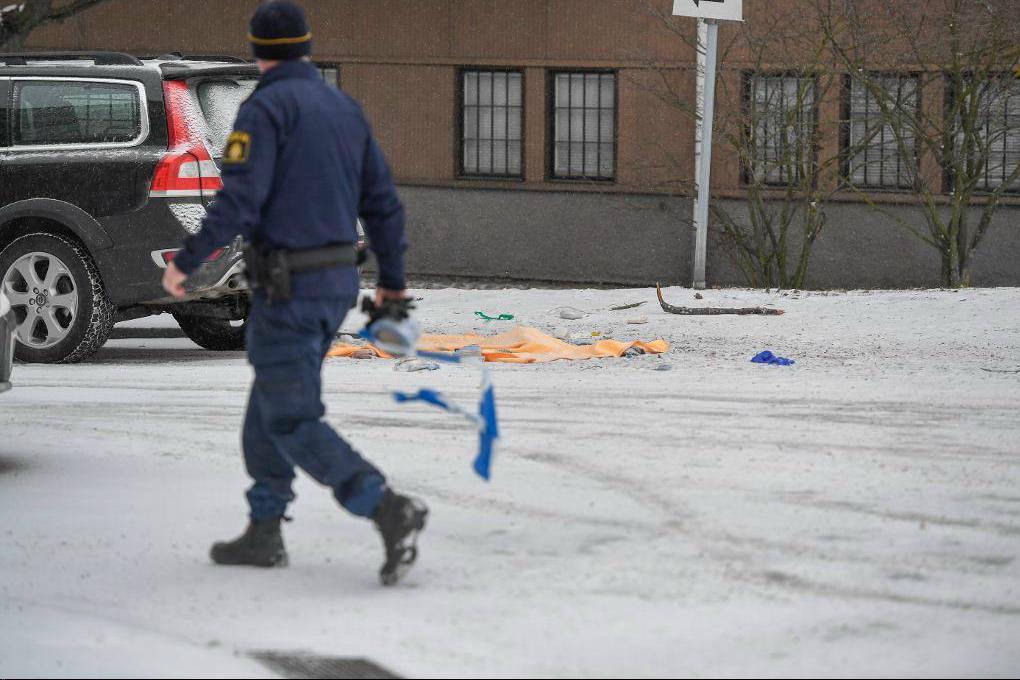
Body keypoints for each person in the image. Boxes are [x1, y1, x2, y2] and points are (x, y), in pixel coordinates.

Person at [161, 0, 427, 586]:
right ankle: (264, 530)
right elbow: (382, 202)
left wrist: (188, 259)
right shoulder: (343, 108)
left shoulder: (264, 109)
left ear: (258, 53)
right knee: (269, 407)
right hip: (335, 284)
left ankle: (385, 506)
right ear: (306, 47)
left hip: (290, 287)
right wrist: (393, 281)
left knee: (290, 417)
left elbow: (238, 199)